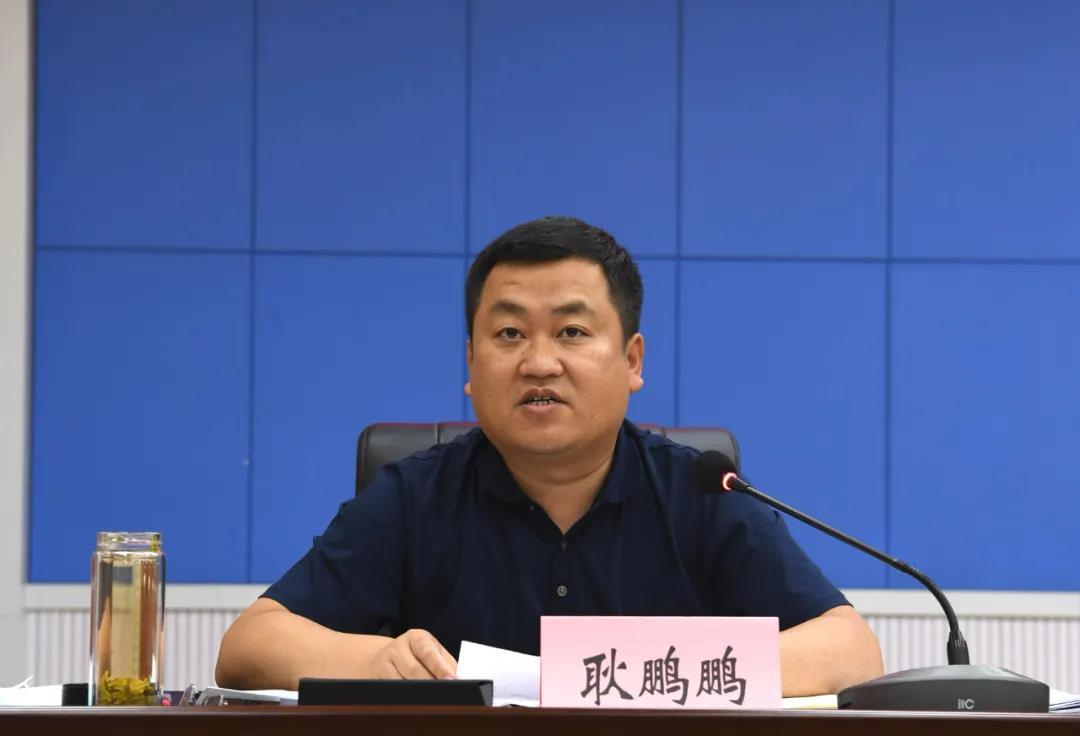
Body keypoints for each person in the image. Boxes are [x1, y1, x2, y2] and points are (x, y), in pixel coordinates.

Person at [216, 216, 883, 694]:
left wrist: (650, 671)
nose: (539, 362)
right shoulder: (415, 497)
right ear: (472, 364)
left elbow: (850, 650)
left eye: (571, 331)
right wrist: (374, 662)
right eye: (509, 333)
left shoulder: (702, 492)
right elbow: (249, 645)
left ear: (632, 360)